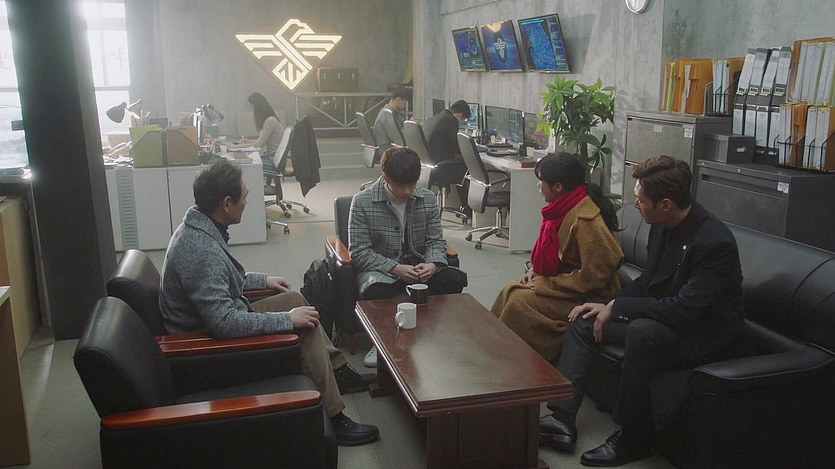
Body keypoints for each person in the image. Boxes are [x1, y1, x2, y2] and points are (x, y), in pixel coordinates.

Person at [538, 156, 752, 466]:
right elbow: (648, 282)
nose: (635, 205)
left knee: (642, 331)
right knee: (584, 319)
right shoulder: (662, 226)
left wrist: (620, 308)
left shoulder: (713, 242)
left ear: (665, 204)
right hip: (668, 319)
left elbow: (685, 310)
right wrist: (608, 305)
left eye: (640, 200)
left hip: (703, 335)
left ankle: (633, 438)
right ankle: (562, 418)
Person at [159, 159, 379, 447]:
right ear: (227, 203)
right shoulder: (201, 251)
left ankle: (338, 372)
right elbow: (223, 323)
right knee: (304, 324)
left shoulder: (199, 225)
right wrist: (287, 320)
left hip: (217, 318)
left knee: (296, 300)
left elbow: (220, 280)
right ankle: (334, 416)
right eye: (245, 197)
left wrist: (262, 280)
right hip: (205, 348)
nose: (247, 202)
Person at [490, 153, 623, 361]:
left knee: (519, 302)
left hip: (591, 295)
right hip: (569, 287)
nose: (538, 186)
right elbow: (560, 257)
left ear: (558, 187)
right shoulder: (563, 209)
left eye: (541, 181)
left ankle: (516, 362)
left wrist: (546, 284)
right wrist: (536, 272)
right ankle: (494, 351)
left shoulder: (586, 220)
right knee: (510, 290)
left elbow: (594, 277)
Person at [349, 147, 468, 367]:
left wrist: (432, 264)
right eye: (400, 185)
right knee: (377, 289)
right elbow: (359, 252)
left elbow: (435, 241)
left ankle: (431, 333)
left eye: (411, 184)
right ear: (386, 177)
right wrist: (394, 268)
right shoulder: (363, 202)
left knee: (454, 279)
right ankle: (383, 340)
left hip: (418, 266)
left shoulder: (427, 199)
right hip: (383, 271)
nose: (406, 191)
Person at [422, 99, 471, 214]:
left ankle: (466, 207)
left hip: (429, 167)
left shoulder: (432, 119)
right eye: (462, 120)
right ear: (460, 115)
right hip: (440, 168)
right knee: (467, 170)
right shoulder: (451, 120)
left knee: (459, 164)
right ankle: (467, 208)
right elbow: (456, 147)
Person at [228, 92, 284, 157]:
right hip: (270, 156)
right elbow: (261, 141)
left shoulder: (270, 121)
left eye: (251, 107)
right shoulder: (270, 120)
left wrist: (235, 146)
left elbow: (259, 144)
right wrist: (248, 141)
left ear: (257, 107)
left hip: (271, 158)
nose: (251, 111)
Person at [372, 85, 411, 157]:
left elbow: (401, 122)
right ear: (399, 99)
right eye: (405, 101)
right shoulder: (388, 114)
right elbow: (398, 138)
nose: (405, 105)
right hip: (386, 150)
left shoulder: (389, 111)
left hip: (386, 147)